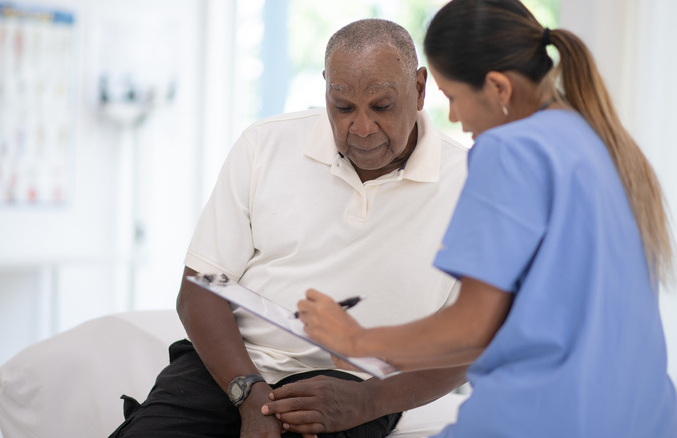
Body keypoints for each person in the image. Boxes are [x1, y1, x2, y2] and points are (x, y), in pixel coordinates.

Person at [296, 1, 677, 437]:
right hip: (646, 418)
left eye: (454, 98)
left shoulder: (509, 149)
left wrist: (356, 340)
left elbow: (474, 327)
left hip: (546, 419)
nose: (454, 118)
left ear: (498, 87)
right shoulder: (597, 140)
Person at [108, 18, 470, 438]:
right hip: (231, 369)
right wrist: (249, 394)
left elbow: (467, 343)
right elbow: (198, 291)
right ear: (325, 90)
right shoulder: (264, 145)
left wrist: (370, 401)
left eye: (382, 107)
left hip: (355, 386)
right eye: (343, 107)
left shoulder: (470, 184)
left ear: (420, 88)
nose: (362, 127)